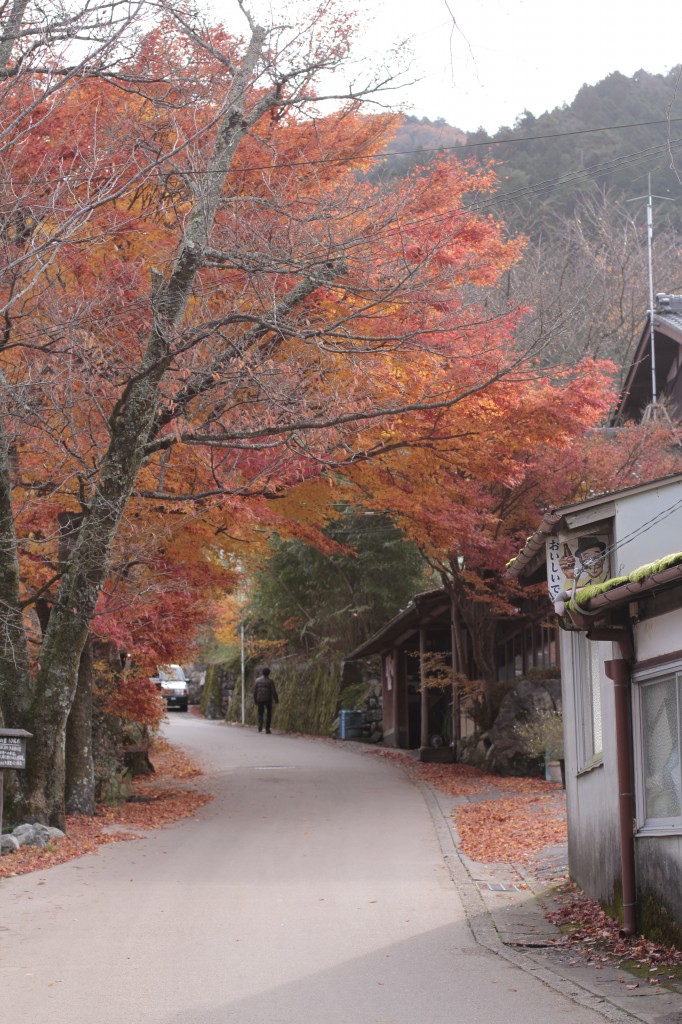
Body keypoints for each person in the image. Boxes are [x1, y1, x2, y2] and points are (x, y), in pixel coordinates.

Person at [253, 667, 278, 734]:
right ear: (268, 673)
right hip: (268, 699)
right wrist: (276, 700)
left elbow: (255, 691)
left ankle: (260, 726)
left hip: (259, 699)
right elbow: (274, 691)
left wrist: (255, 699)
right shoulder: (270, 681)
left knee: (260, 713)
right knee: (269, 714)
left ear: (262, 673)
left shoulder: (257, 680)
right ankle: (267, 729)